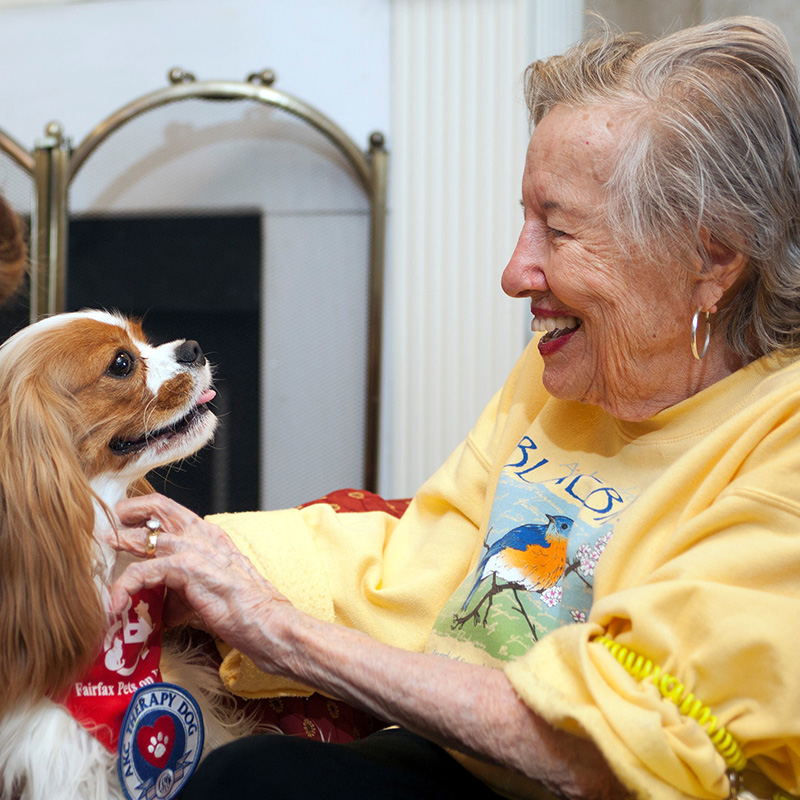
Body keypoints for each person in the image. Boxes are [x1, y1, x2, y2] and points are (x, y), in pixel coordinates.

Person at [107, 15, 800, 800]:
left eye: (560, 229)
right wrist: (171, 551)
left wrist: (272, 626)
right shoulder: (566, 376)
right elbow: (422, 566)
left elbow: (607, 744)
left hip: (584, 778)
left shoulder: (782, 443)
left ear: (711, 259)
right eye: (524, 219)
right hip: (467, 761)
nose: (514, 271)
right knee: (248, 778)